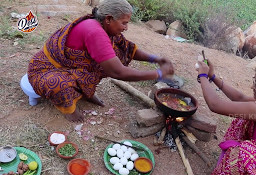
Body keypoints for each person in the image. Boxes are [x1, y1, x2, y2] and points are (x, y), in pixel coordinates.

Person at [27, 0, 174, 122]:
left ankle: (85, 92)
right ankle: (69, 109)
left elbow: (127, 48)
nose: (126, 28)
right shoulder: (95, 31)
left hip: (69, 65)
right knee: (59, 84)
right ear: (108, 19)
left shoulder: (104, 26)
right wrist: (158, 73)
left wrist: (155, 59)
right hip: (45, 70)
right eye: (124, 23)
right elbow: (117, 71)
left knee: (115, 50)